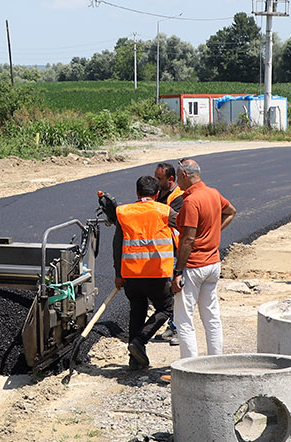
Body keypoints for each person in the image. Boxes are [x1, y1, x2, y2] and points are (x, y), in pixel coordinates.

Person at [100, 176, 175, 370]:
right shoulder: (164, 211)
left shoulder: (123, 212)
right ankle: (139, 341)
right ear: (157, 194)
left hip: (131, 275)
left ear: (137, 192)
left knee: (137, 312)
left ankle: (135, 361)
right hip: (156, 274)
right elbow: (186, 228)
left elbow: (117, 246)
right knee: (167, 308)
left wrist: (118, 274)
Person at [167, 158, 236, 359]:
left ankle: (189, 368)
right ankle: (216, 362)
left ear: (184, 175)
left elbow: (187, 240)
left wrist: (178, 272)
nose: (178, 182)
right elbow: (231, 211)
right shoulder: (213, 193)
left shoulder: (191, 201)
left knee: (184, 319)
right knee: (211, 317)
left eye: (179, 177)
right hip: (213, 264)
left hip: (194, 266)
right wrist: (213, 232)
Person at [153, 162, 183, 342]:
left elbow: (171, 220)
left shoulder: (178, 197)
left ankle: (178, 329)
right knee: (167, 292)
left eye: (159, 179)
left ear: (170, 179)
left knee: (177, 291)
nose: (156, 182)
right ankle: (172, 326)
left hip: (174, 250)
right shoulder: (158, 194)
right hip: (161, 250)